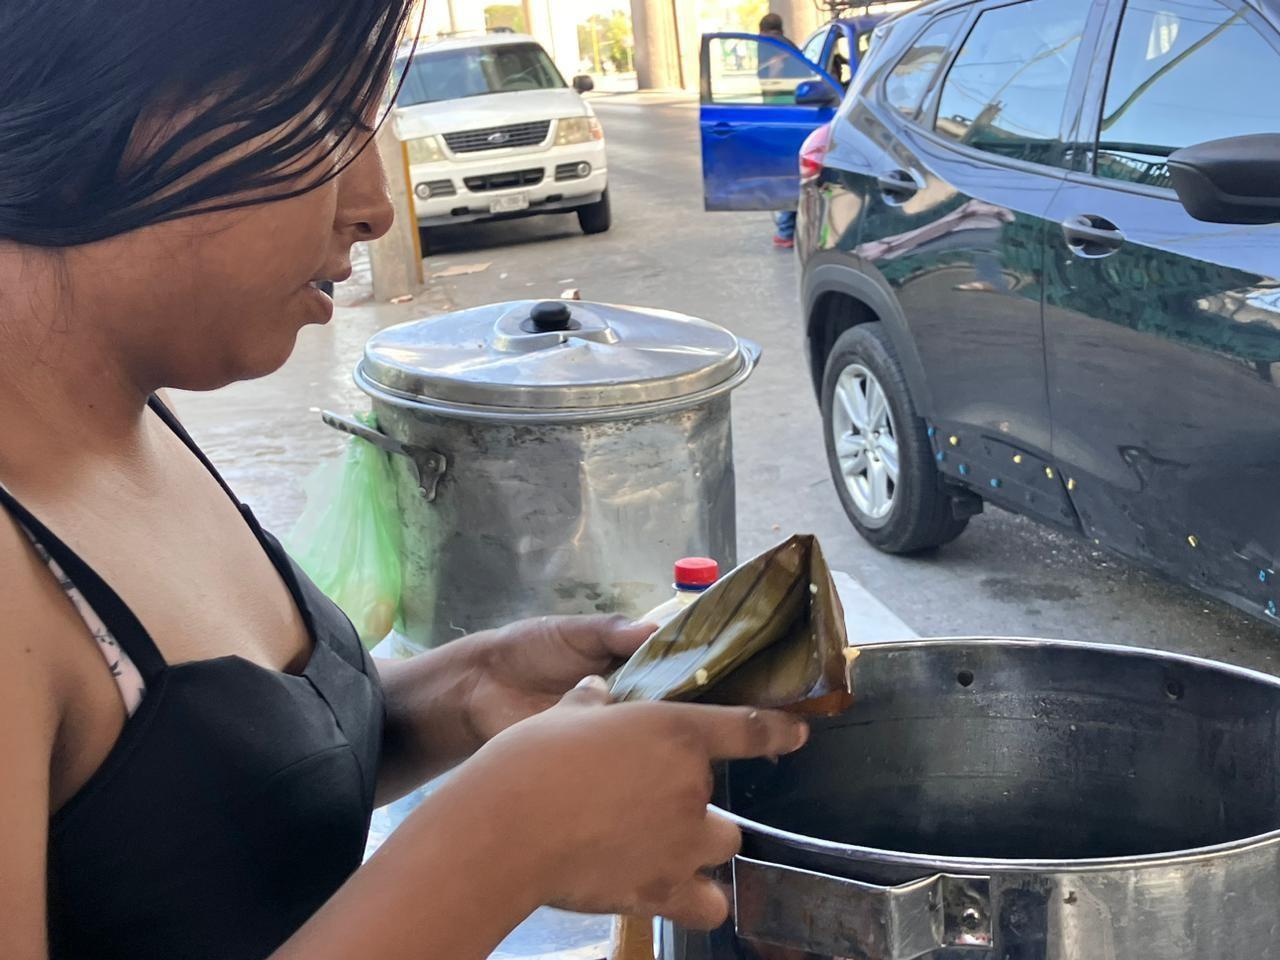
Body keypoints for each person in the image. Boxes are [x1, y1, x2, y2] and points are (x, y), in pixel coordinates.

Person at [0, 3, 811, 959]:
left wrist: (466, 690)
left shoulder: (128, 409)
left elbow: (190, 812)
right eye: (321, 118)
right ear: (109, 106)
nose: (375, 203)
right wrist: (502, 848)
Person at [760, 13, 799, 248]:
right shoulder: (791, 47)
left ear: (763, 31)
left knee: (788, 174)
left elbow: (772, 89)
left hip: (783, 118)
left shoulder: (769, 49)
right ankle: (788, 229)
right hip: (796, 115)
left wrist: (774, 70)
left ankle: (786, 232)